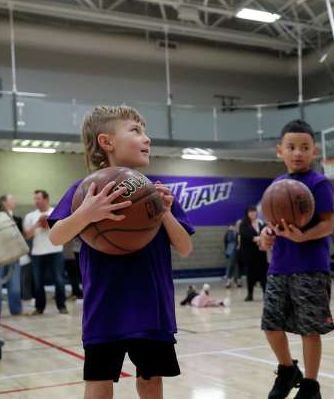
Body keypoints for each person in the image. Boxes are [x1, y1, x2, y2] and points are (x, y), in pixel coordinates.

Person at [47, 105, 193, 399]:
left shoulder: (156, 192)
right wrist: (86, 214)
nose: (147, 138)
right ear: (106, 142)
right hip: (104, 308)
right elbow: (55, 236)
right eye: (136, 130)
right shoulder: (85, 191)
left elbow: (185, 248)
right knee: (99, 383)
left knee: (151, 382)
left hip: (152, 308)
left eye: (145, 131)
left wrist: (165, 212)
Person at [257, 120, 334, 399]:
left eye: (304, 147)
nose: (298, 153)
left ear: (314, 151)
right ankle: (288, 369)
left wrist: (304, 237)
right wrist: (266, 234)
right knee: (271, 326)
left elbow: (328, 224)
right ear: (280, 150)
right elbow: (272, 224)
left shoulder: (319, 183)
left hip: (311, 267)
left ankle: (311, 385)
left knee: (309, 330)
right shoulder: (276, 185)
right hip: (279, 267)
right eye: (291, 147)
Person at [25, 190, 67, 315]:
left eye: (38, 198)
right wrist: (37, 225)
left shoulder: (57, 212)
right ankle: (39, 308)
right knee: (38, 282)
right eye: (35, 199)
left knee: (59, 280)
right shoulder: (30, 216)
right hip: (37, 253)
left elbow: (63, 231)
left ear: (46, 199)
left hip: (56, 251)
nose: (36, 201)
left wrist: (49, 224)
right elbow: (27, 236)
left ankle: (62, 306)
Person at [0, 195, 24, 315]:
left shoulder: (17, 219)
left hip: (13, 257)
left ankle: (16, 310)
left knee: (15, 287)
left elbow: (21, 238)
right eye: (12, 200)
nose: (15, 202)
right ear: (3, 203)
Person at [239, 206, 267, 301]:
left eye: (254, 212)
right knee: (250, 273)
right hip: (249, 253)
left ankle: (265, 293)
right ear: (247, 213)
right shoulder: (243, 224)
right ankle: (250, 294)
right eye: (250, 212)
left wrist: (262, 239)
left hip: (261, 252)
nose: (253, 213)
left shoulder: (261, 222)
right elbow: (245, 235)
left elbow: (266, 233)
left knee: (263, 273)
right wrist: (256, 238)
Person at [224, 219, 243, 288]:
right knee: (231, 264)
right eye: (238, 224)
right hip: (232, 251)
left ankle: (237, 279)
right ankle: (229, 280)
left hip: (240, 252)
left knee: (237, 265)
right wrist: (231, 231)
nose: (239, 226)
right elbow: (227, 241)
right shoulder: (231, 232)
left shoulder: (242, 232)